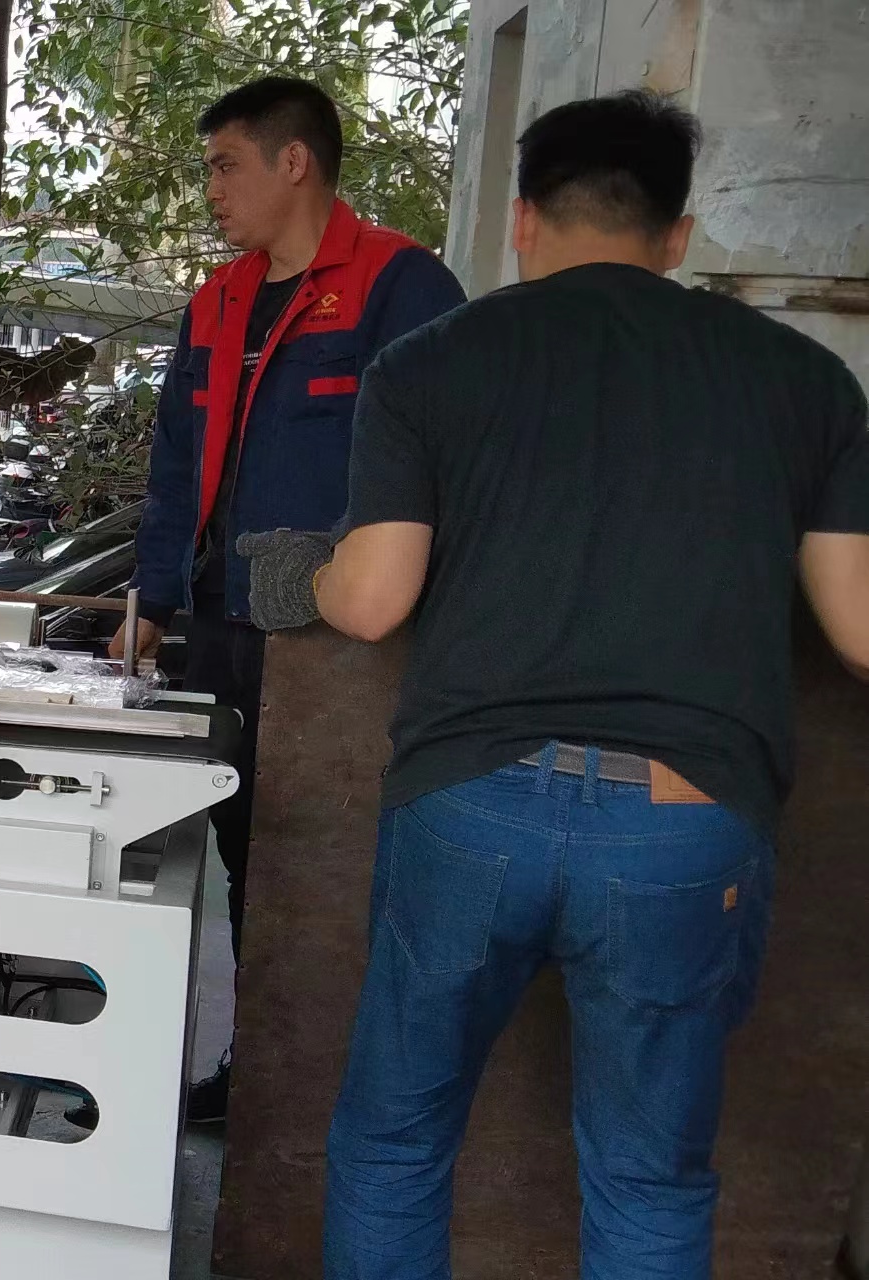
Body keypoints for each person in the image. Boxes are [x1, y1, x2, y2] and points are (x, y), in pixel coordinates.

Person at [239, 90, 869, 1277]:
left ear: (522, 219)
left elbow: (369, 599)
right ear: (676, 236)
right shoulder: (803, 378)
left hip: (470, 801)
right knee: (645, 1178)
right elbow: (859, 629)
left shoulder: (431, 362)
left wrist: (298, 571)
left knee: (393, 1144)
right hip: (683, 819)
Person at [115, 75, 466, 1123]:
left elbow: (448, 463)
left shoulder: (400, 286)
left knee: (338, 852)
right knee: (245, 843)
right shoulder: (218, 300)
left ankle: (348, 1083)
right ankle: (262, 1066)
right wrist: (151, 602)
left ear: (294, 161)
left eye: (226, 165)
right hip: (225, 624)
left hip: (345, 637)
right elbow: (175, 465)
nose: (213, 189)